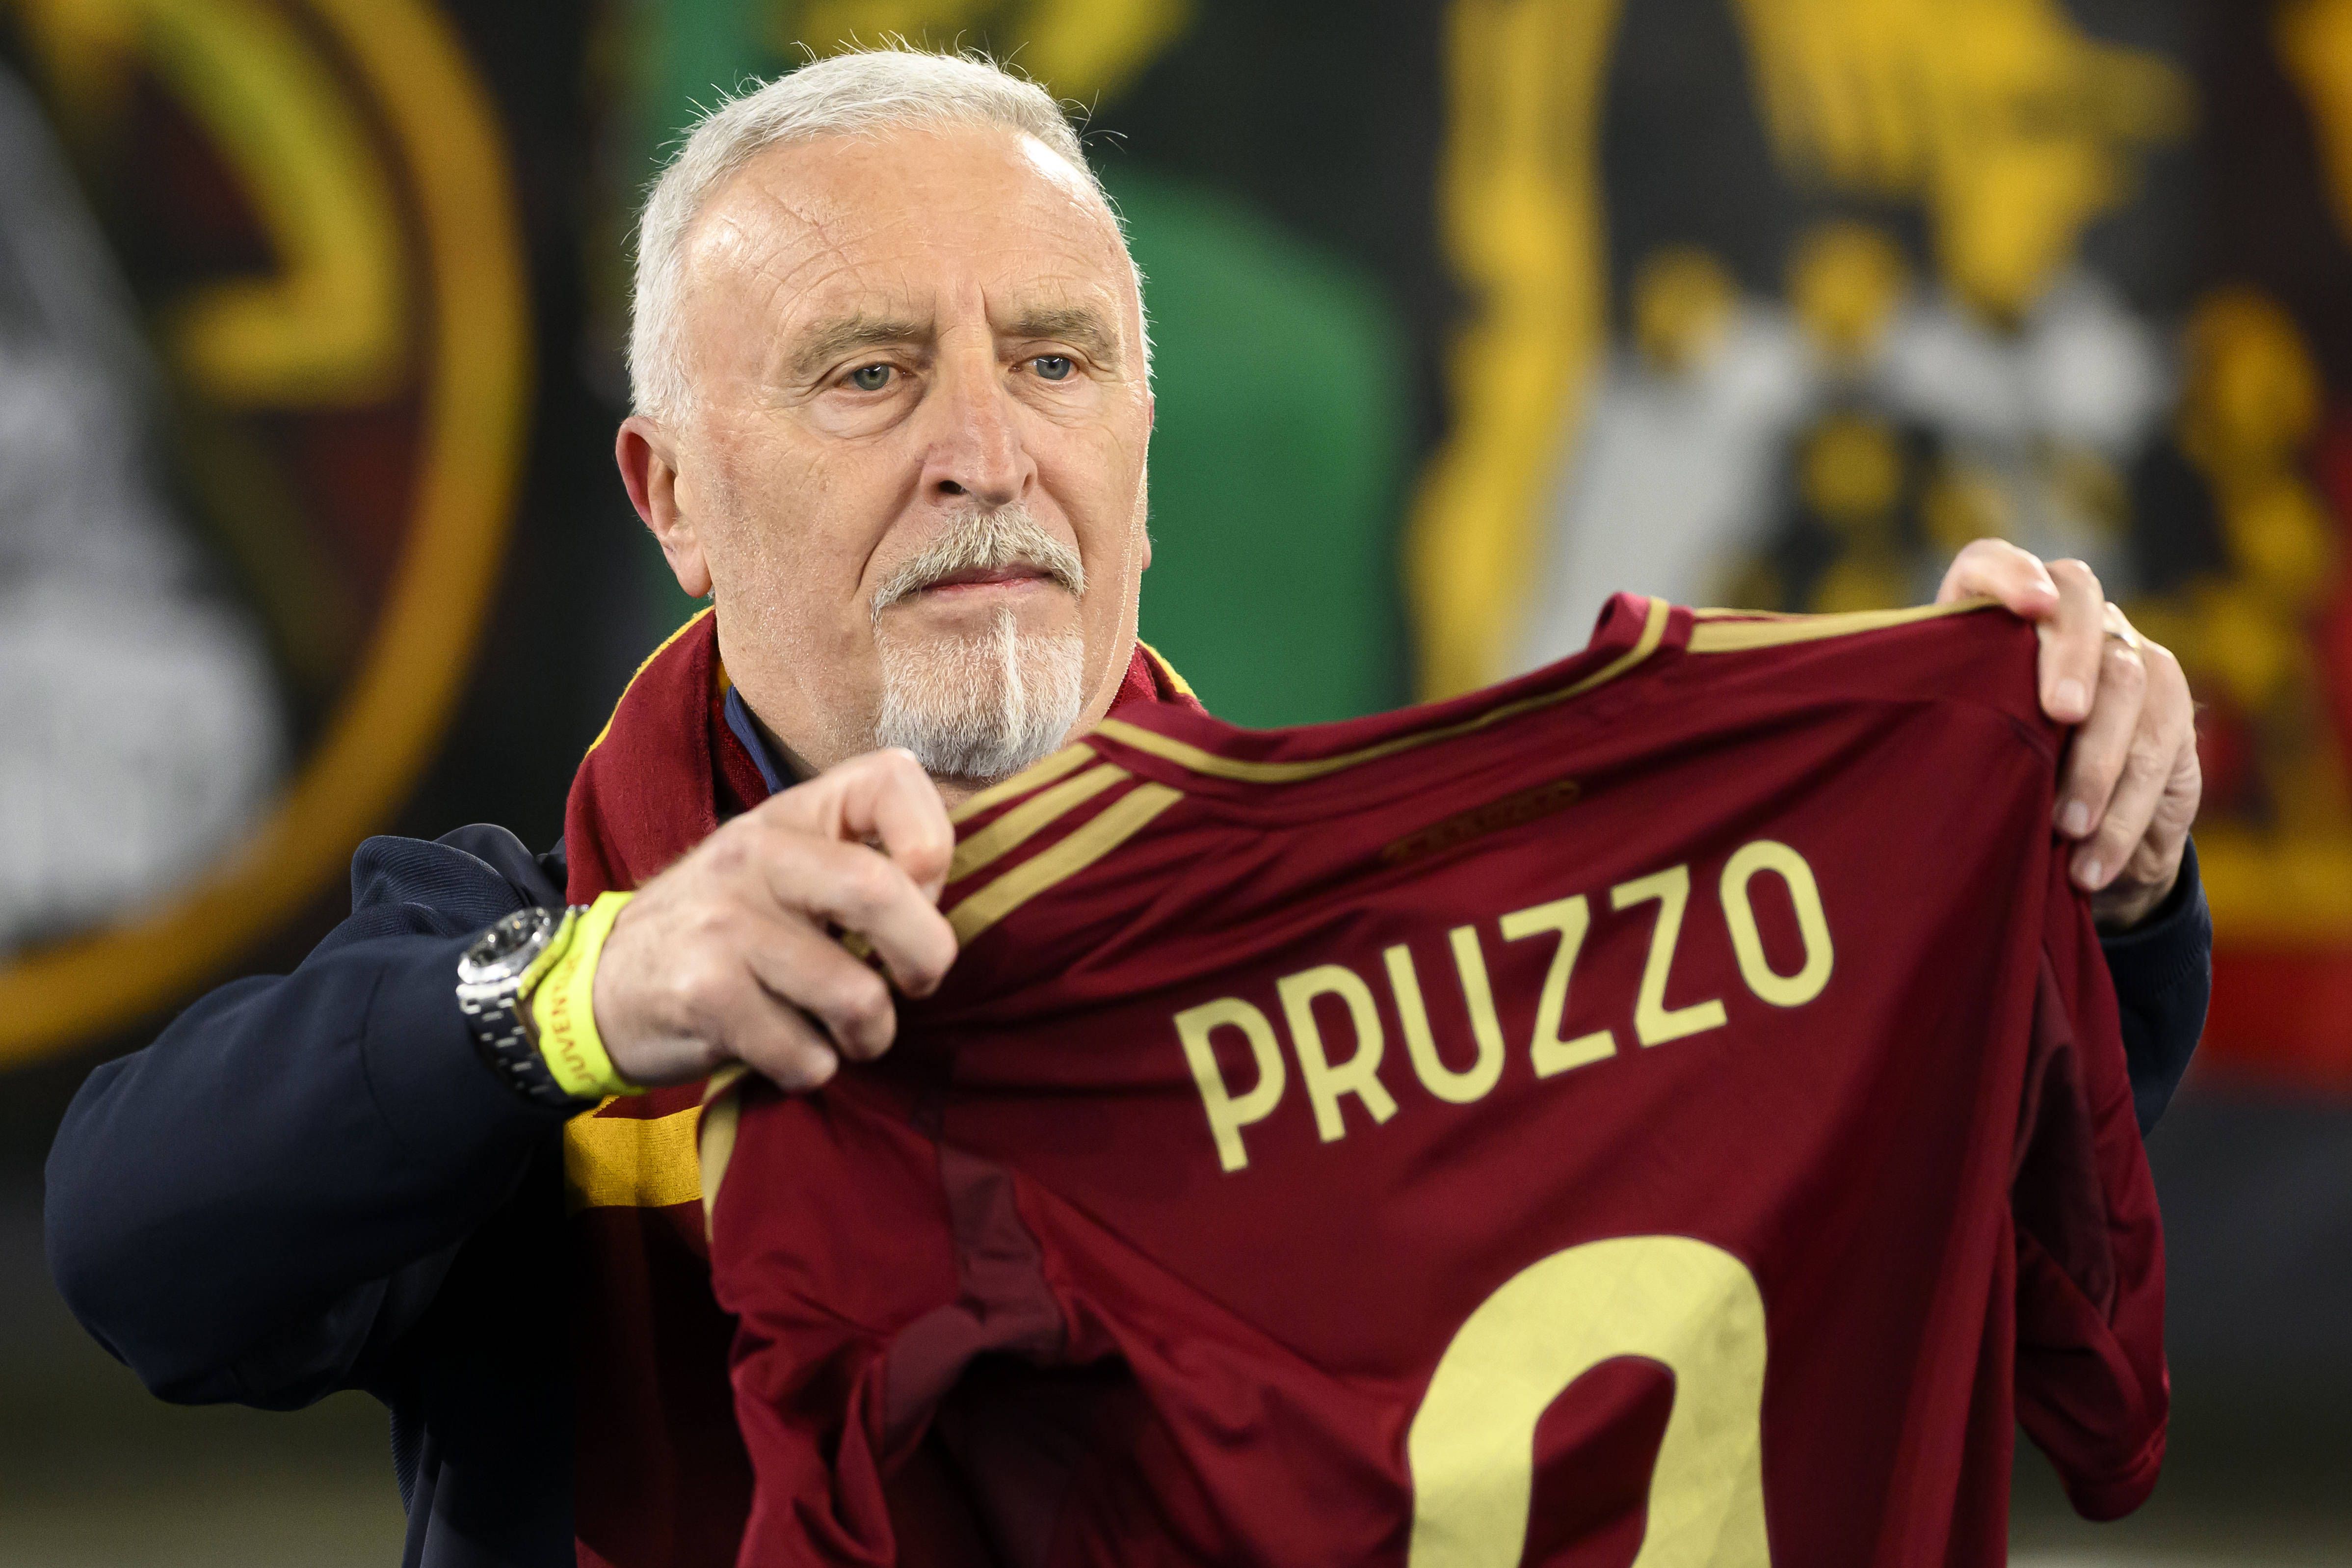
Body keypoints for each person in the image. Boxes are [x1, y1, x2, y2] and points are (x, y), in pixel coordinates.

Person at [44, 48, 2210, 1568]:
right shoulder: (555, 964)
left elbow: (1967, 1158)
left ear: (1142, 464)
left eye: (1058, 361)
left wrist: (2090, 864)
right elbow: (143, 1251)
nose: (989, 449)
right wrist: (594, 994)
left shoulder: (1393, 933)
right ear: (672, 495)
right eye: (870, 369)